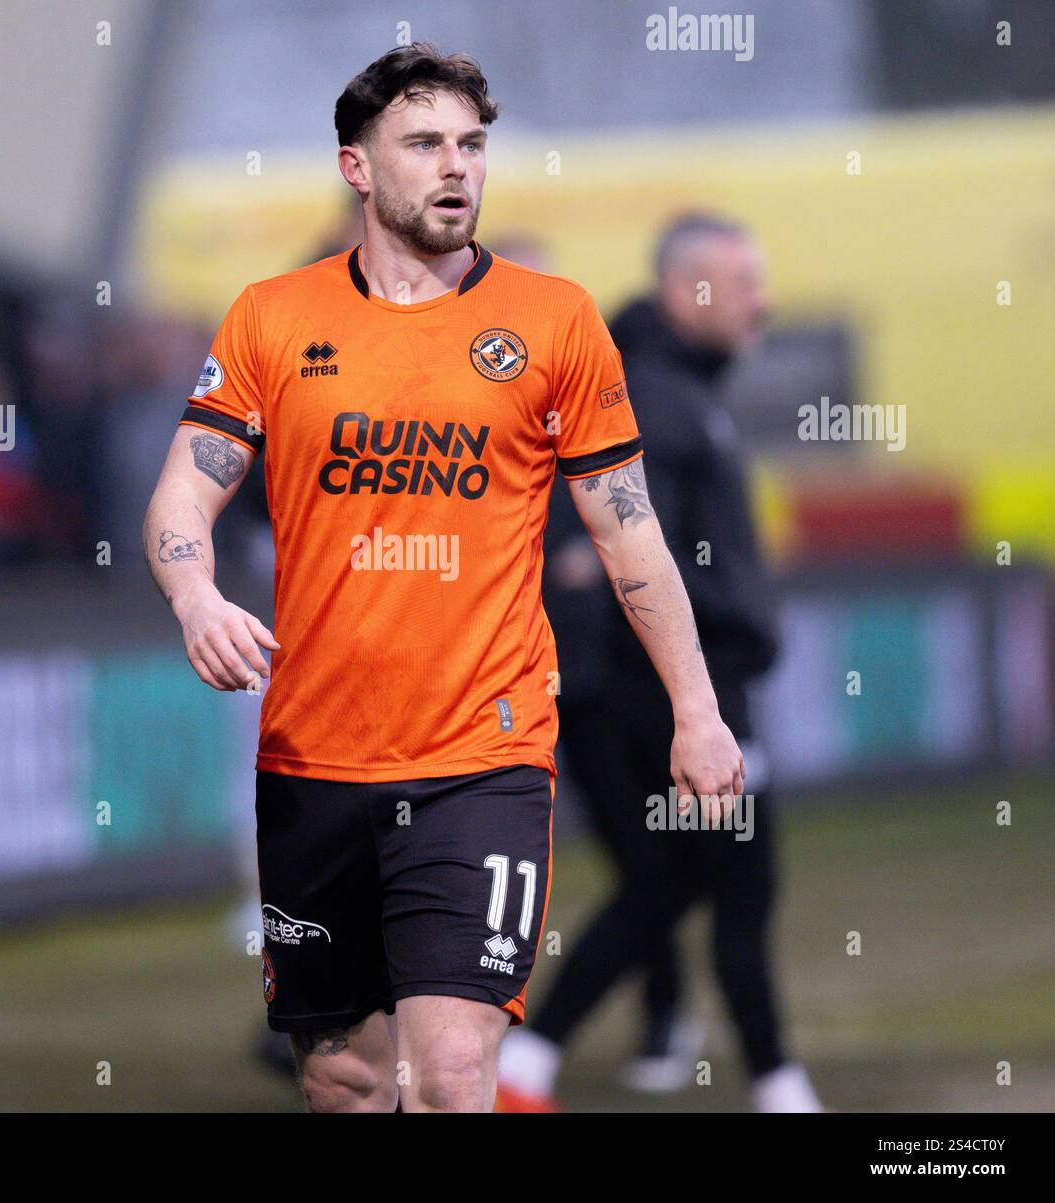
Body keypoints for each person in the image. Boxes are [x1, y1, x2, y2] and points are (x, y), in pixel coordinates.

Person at [144, 46, 746, 1113]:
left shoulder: (556, 321)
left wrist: (695, 710)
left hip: (484, 755)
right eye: (424, 143)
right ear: (357, 168)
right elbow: (182, 499)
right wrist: (196, 598)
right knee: (343, 1076)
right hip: (313, 761)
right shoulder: (271, 319)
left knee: (452, 1071)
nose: (456, 166)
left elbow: (632, 535)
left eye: (471, 143)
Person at [497, 215, 824, 1113]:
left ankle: (536, 1060)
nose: (761, 301)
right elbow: (635, 551)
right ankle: (773, 1080)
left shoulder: (678, 388)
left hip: (676, 686)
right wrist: (697, 685)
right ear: (690, 290)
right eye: (743, 282)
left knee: (669, 882)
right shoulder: (652, 395)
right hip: (682, 692)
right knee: (729, 884)